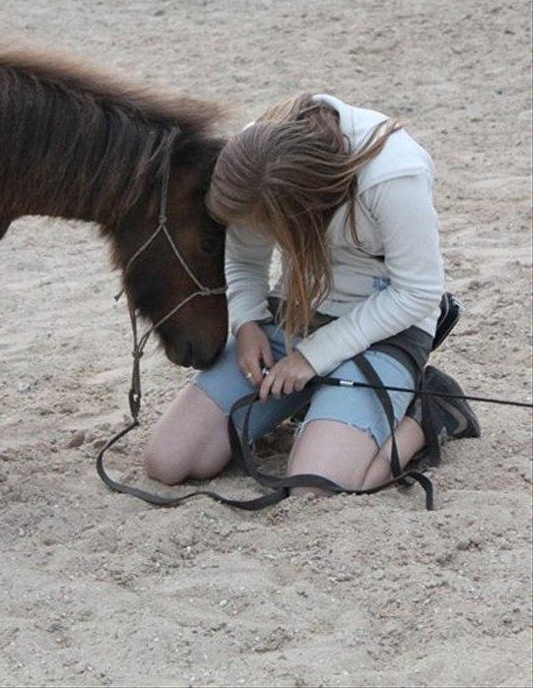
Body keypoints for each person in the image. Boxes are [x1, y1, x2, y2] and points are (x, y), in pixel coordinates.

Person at [144, 92, 479, 494]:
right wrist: (247, 321)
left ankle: (432, 411)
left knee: (313, 484)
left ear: (305, 208)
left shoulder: (394, 173)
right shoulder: (254, 160)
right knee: (169, 461)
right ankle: (320, 407)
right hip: (296, 312)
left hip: (385, 328)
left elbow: (418, 292)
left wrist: (312, 358)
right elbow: (245, 260)